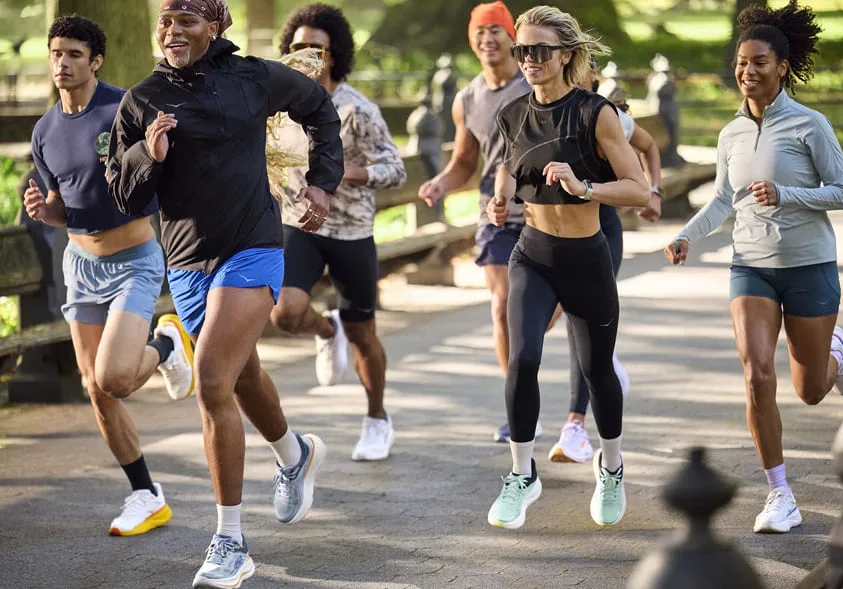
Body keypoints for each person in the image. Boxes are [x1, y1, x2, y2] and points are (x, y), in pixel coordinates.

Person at [106, 1, 344, 587]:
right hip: (185, 261)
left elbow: (320, 110)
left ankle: (230, 539)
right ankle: (295, 454)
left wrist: (320, 184)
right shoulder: (141, 100)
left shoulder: (256, 77)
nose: (173, 31)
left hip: (252, 244)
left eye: (187, 20)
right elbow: (123, 193)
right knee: (240, 375)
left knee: (211, 377)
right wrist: (147, 156)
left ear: (215, 26)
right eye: (166, 20)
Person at [663, 0, 843, 534]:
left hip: (810, 264)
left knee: (810, 389)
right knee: (756, 375)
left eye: (759, 62)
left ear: (782, 66)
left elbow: (842, 193)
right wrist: (685, 235)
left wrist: (787, 194)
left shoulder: (811, 125)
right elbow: (724, 199)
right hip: (751, 265)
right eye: (741, 63)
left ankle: (835, 354)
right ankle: (780, 494)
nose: (747, 72)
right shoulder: (730, 134)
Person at [24, 14, 194, 538]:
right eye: (56, 54)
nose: (63, 63)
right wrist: (43, 210)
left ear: (94, 61)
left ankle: (166, 346)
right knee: (95, 389)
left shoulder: (123, 107)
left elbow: (163, 167)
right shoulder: (45, 131)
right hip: (81, 264)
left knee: (114, 377)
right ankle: (145, 493)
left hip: (134, 259)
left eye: (75, 54)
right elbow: (63, 205)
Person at [485, 5, 649, 530]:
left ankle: (612, 465)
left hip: (586, 259)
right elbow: (510, 166)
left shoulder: (595, 113)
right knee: (522, 358)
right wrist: (500, 197)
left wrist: (585, 188)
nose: (529, 59)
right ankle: (520, 473)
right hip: (532, 253)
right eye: (522, 50)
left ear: (567, 56)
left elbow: (639, 187)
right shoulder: (511, 113)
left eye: (540, 51)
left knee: (597, 369)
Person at [271, 4, 406, 461]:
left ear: (335, 55)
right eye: (297, 48)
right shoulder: (279, 109)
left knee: (364, 331)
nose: (307, 55)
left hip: (350, 230)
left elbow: (395, 167)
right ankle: (325, 331)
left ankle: (376, 419)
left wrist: (349, 173)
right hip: (299, 225)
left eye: (317, 48)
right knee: (285, 313)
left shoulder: (356, 109)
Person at [417, 1, 543, 444]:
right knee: (503, 306)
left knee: (535, 312)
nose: (488, 39)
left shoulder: (533, 84)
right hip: (495, 213)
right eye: (480, 32)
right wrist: (440, 184)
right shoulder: (466, 98)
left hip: (542, 210)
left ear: (512, 38)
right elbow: (465, 162)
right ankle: (519, 405)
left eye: (496, 31)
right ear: (472, 41)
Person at [548, 60, 665, 464]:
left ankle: (574, 427)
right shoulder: (543, 110)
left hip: (600, 234)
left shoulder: (607, 116)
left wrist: (654, 193)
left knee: (574, 320)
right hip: (552, 235)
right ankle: (606, 357)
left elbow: (649, 146)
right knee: (567, 325)